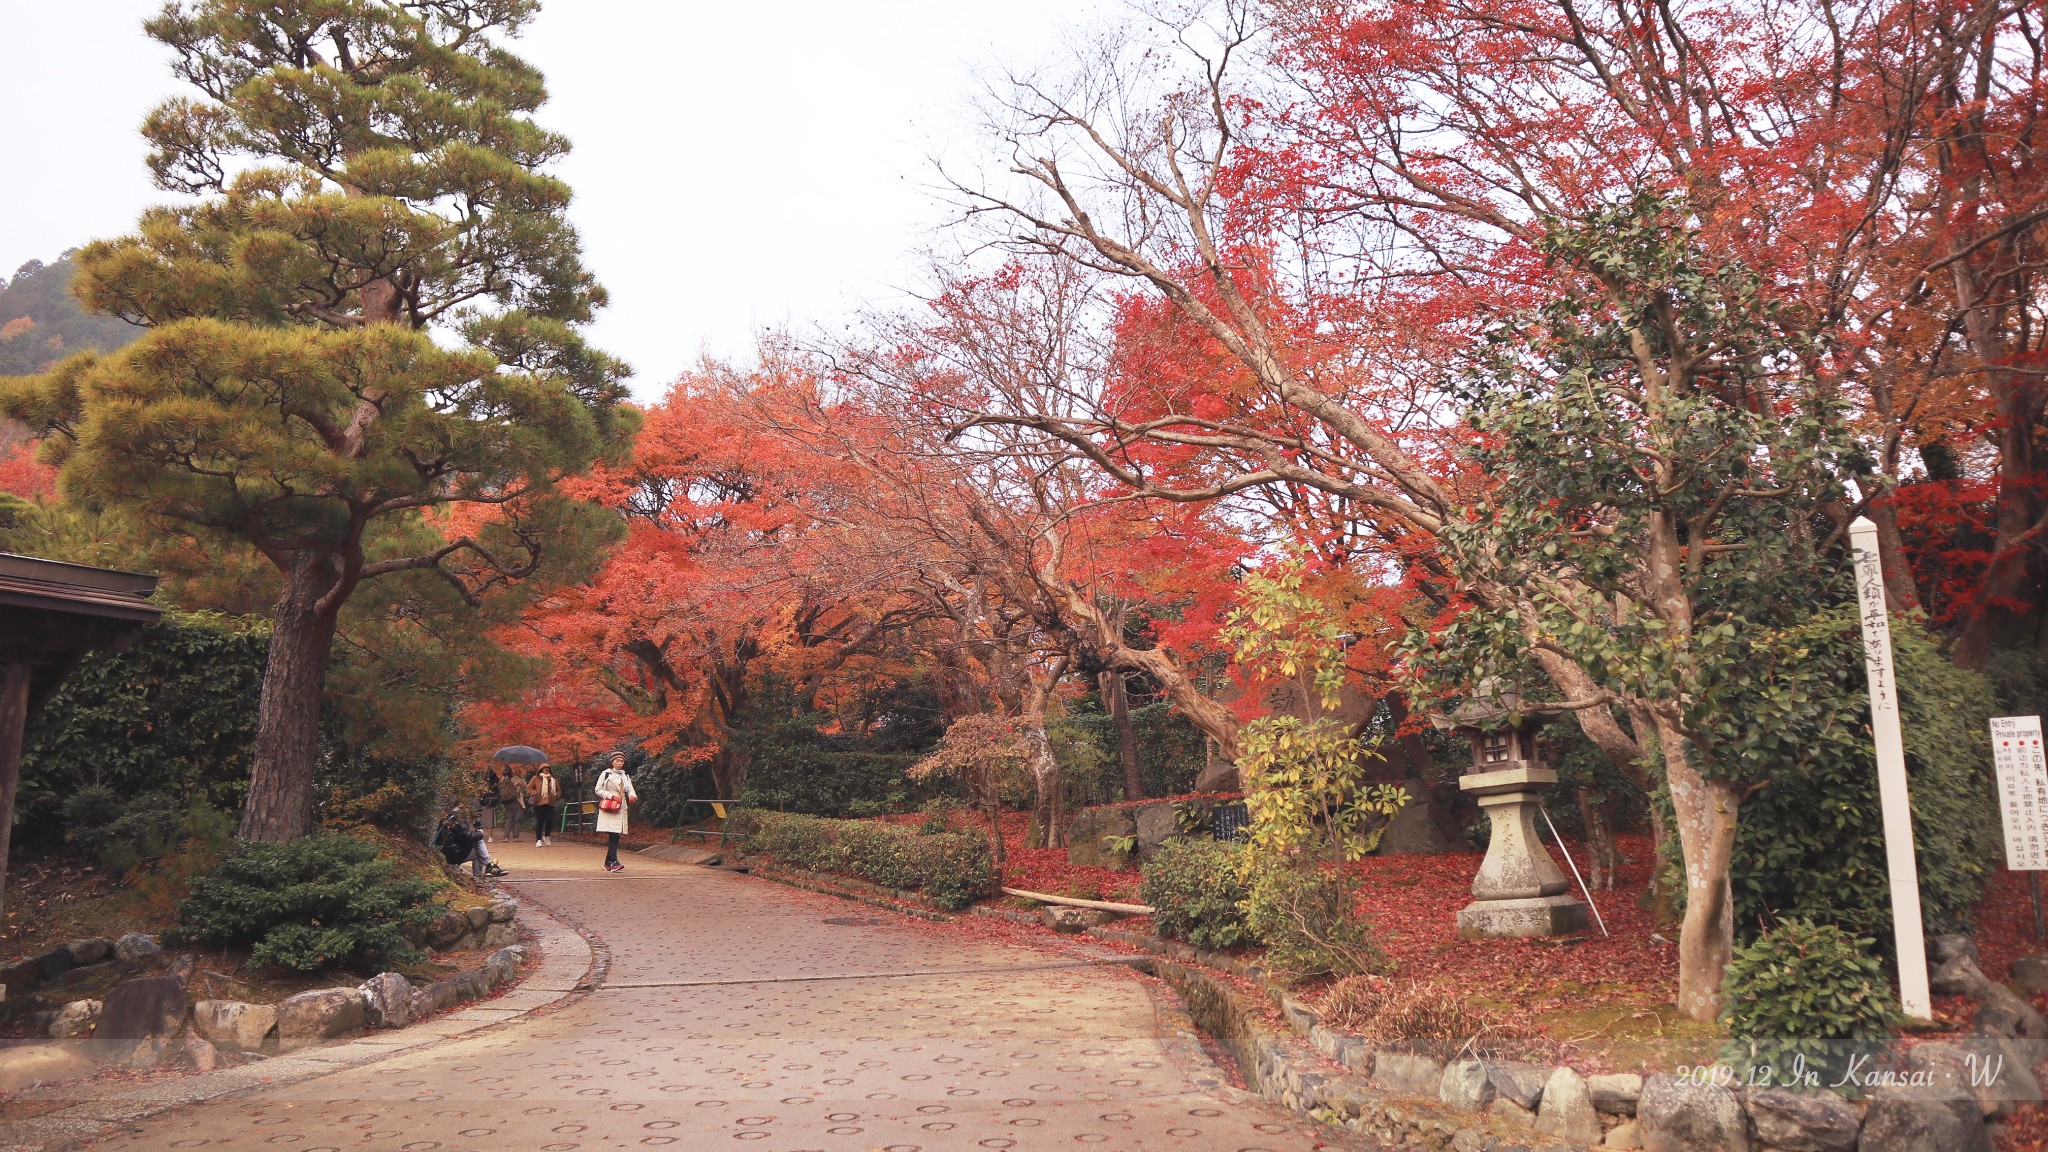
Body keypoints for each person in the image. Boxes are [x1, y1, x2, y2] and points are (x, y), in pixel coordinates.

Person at [593, 752, 637, 872]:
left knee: (616, 835)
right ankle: (614, 861)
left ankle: (608, 862)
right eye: (617, 761)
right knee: (613, 834)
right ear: (612, 762)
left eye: (621, 761)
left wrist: (632, 796)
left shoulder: (625, 776)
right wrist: (611, 796)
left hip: (621, 807)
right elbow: (598, 789)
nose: (619, 763)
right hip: (610, 807)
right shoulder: (606, 773)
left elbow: (630, 789)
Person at [433, 809, 507, 879]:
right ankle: (482, 873)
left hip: (445, 851)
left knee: (478, 847)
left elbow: (459, 836)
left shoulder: (447, 818)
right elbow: (467, 836)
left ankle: (487, 869)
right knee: (478, 844)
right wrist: (480, 833)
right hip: (453, 855)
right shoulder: (457, 819)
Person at [527, 762, 562, 847]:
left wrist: (556, 795)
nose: (546, 770)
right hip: (538, 803)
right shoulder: (535, 778)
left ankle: (547, 836)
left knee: (549, 821)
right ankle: (538, 839)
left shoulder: (553, 780)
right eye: (544, 768)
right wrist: (535, 792)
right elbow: (529, 788)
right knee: (540, 821)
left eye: (548, 768)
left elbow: (559, 790)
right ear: (541, 770)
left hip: (550, 803)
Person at [497, 764, 526, 842]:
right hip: (516, 800)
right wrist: (521, 777)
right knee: (517, 819)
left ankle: (506, 837)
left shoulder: (502, 779)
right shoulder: (516, 778)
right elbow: (525, 785)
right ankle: (515, 837)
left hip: (507, 801)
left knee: (508, 819)